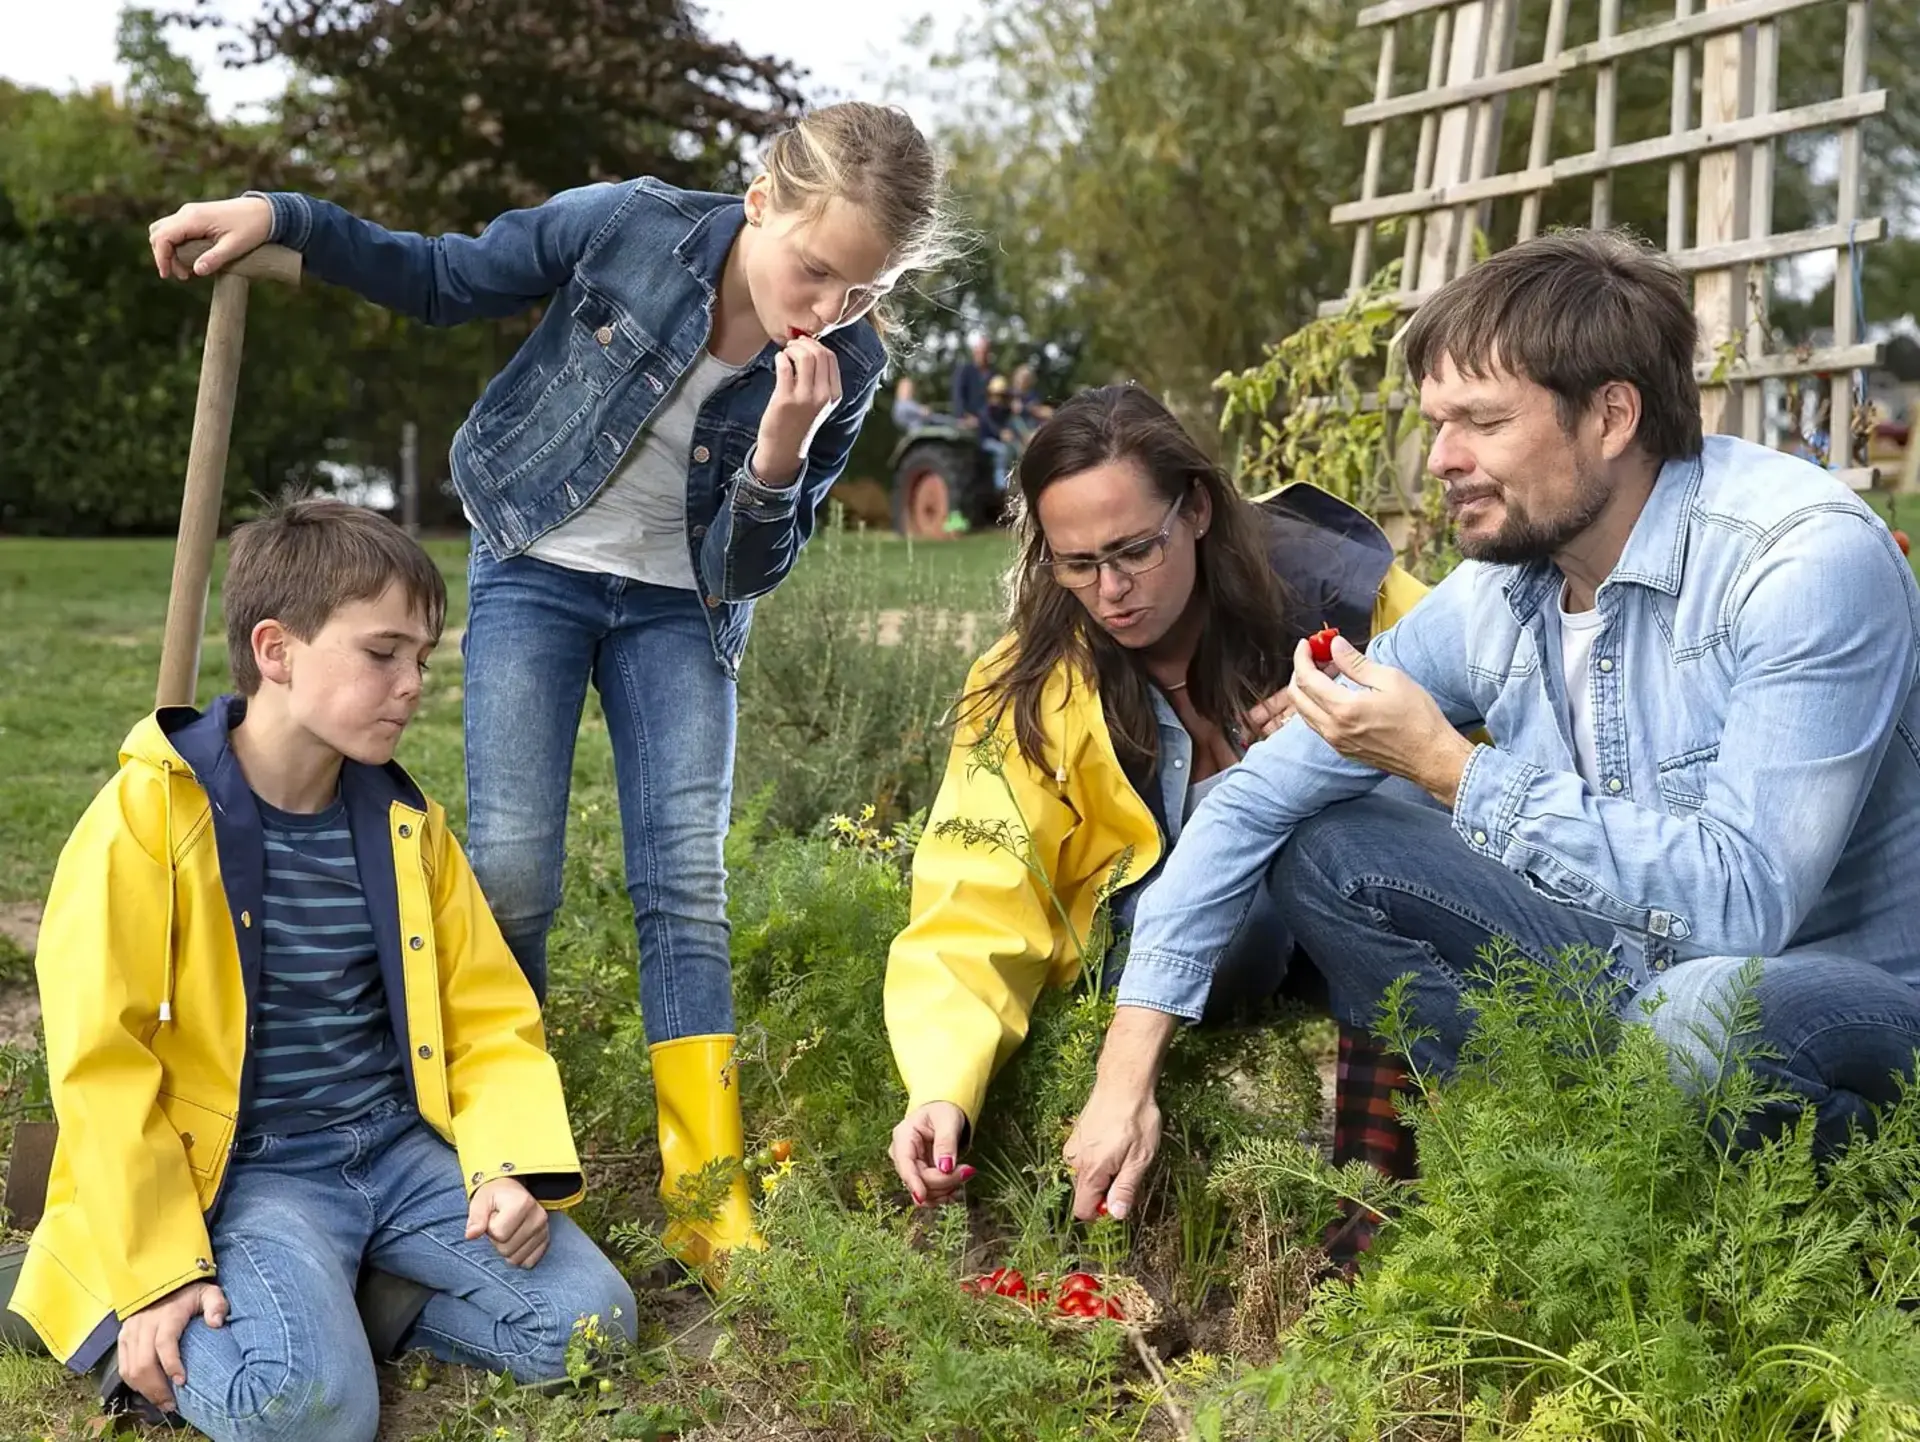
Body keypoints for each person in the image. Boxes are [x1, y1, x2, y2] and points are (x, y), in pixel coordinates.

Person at [147, 102, 960, 1267]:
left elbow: (749, 568)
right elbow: (443, 275)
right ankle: (502, 1153)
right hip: (537, 556)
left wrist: (780, 456)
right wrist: (284, 215)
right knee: (515, 871)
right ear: (761, 199)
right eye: (817, 269)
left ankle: (708, 1191)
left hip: (685, 606)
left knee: (684, 880)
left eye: (862, 291)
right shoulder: (629, 226)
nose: (827, 308)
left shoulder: (850, 365)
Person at [1060, 230, 1920, 1223]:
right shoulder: (1505, 587)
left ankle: (1853, 1219)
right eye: (1436, 422)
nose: (1440, 460)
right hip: (1642, 985)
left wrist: (1450, 768)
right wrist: (1127, 1072)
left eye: (1480, 422)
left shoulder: (1800, 563)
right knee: (1327, 846)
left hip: (1850, 1008)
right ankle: (1569, 1173)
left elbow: (1746, 903)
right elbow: (1256, 796)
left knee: (1697, 1014)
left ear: (1610, 414)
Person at [7, 498, 636, 1440]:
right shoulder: (144, 823)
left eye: (421, 658)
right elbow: (104, 1063)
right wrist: (160, 1276)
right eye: (382, 653)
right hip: (250, 1174)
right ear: (276, 650)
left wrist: (505, 1168)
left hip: (392, 1150)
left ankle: (346, 1301)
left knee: (590, 1325)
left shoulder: (405, 827)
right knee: (303, 1410)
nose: (412, 683)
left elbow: (488, 1016)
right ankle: (97, 1297)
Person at [884, 386, 1435, 1259]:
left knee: (1366, 801)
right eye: (1076, 564)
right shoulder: (1025, 685)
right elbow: (976, 892)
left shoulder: (1339, 591)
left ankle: (1379, 1213)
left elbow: (1485, 730)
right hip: (1182, 953)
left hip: (1350, 899)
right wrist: (941, 1085)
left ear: (1200, 508)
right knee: (1280, 819)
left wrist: (1358, 724)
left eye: (1135, 550)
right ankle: (1369, 1225)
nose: (1110, 591)